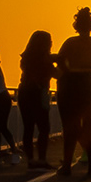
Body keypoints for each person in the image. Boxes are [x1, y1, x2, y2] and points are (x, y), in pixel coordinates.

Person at [55, 7, 91, 175]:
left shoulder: (69, 42)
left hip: (70, 84)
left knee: (69, 126)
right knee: (90, 127)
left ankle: (66, 165)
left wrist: (71, 67)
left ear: (76, 26)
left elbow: (60, 61)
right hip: (90, 83)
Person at [18, 27, 57, 170]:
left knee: (28, 127)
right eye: (50, 41)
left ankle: (30, 160)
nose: (51, 43)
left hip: (24, 93)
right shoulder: (45, 60)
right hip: (37, 93)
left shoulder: (27, 58)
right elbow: (56, 74)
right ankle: (41, 159)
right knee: (44, 128)